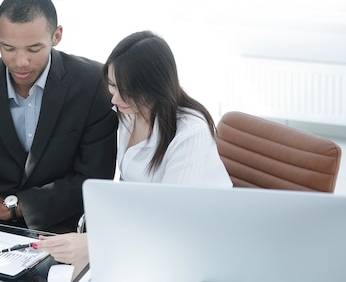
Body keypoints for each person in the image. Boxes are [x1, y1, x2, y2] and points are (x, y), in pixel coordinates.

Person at [36, 30, 232, 264]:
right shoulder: (128, 113)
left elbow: (172, 222)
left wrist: (96, 244)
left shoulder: (190, 133)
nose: (114, 99)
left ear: (155, 86)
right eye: (112, 86)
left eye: (126, 91)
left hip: (193, 243)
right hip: (144, 234)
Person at [0, 0, 118, 235]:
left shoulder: (93, 85)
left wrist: (13, 208)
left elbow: (94, 180)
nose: (20, 61)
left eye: (33, 49)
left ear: (56, 36)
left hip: (60, 228)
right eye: (8, 48)